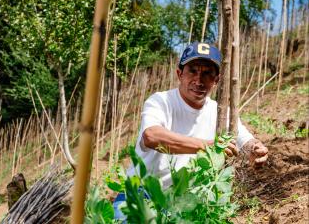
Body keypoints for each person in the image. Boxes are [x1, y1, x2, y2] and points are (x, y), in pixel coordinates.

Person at [113, 41, 268, 220]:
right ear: (179, 74)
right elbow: (151, 137)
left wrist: (255, 149)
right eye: (193, 71)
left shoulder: (220, 113)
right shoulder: (161, 101)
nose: (199, 80)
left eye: (207, 73)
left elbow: (245, 140)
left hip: (183, 203)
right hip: (140, 193)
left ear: (216, 80)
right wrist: (208, 146)